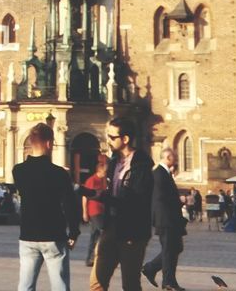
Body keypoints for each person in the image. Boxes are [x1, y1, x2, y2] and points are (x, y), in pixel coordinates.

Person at [84, 116, 153, 291]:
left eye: (112, 137)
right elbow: (113, 193)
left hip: (132, 231)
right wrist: (94, 194)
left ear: (125, 139)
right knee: (96, 282)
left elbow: (135, 200)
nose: (108, 140)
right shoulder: (114, 162)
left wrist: (102, 196)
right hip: (111, 226)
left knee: (130, 284)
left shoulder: (141, 166)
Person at [13, 122, 80, 291]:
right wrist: (73, 231)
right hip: (53, 234)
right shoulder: (59, 174)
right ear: (49, 143)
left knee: (25, 284)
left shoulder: (18, 171)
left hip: (28, 234)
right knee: (59, 284)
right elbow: (70, 204)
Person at [142, 146, 186, 291]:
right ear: (167, 157)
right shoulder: (159, 173)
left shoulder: (164, 173)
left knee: (176, 248)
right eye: (174, 157)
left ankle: (151, 268)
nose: (177, 160)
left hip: (170, 219)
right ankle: (168, 282)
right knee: (169, 250)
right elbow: (161, 198)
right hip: (166, 219)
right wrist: (179, 200)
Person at [82, 154, 110, 267]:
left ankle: (89, 259)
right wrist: (84, 212)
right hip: (94, 210)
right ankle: (102, 257)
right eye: (105, 171)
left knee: (94, 235)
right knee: (104, 232)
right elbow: (84, 196)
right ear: (100, 169)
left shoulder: (104, 180)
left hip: (102, 210)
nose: (106, 173)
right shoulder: (91, 180)